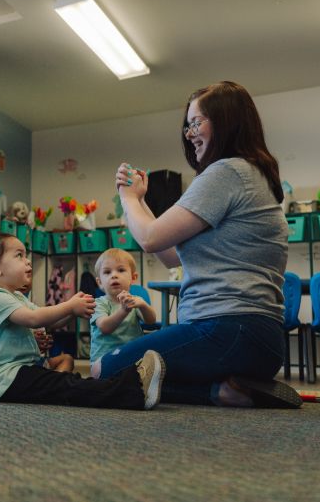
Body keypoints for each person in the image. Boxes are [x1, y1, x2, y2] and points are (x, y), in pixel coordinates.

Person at [97, 81, 302, 408]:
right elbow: (169, 257)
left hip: (228, 329)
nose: (189, 134)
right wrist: (140, 201)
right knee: (143, 369)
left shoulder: (227, 172)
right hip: (256, 339)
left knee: (105, 369)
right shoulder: (249, 174)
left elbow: (150, 239)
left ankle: (219, 392)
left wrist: (126, 198)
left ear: (227, 122)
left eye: (197, 122)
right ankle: (233, 385)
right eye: (187, 125)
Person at [0, 232, 165, 410]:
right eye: (19, 256)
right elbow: (35, 319)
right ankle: (134, 390)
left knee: (64, 383)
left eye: (26, 255)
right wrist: (69, 306)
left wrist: (74, 311)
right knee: (67, 384)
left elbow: (48, 323)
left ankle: (130, 386)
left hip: (17, 372)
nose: (27, 261)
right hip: (0, 380)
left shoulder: (16, 297)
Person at [90, 248, 157, 365]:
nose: (114, 275)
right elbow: (104, 327)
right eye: (107, 272)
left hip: (131, 358)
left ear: (133, 278)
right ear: (100, 282)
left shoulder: (133, 300)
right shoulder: (98, 303)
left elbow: (151, 321)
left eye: (121, 270)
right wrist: (123, 311)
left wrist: (143, 305)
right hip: (103, 360)